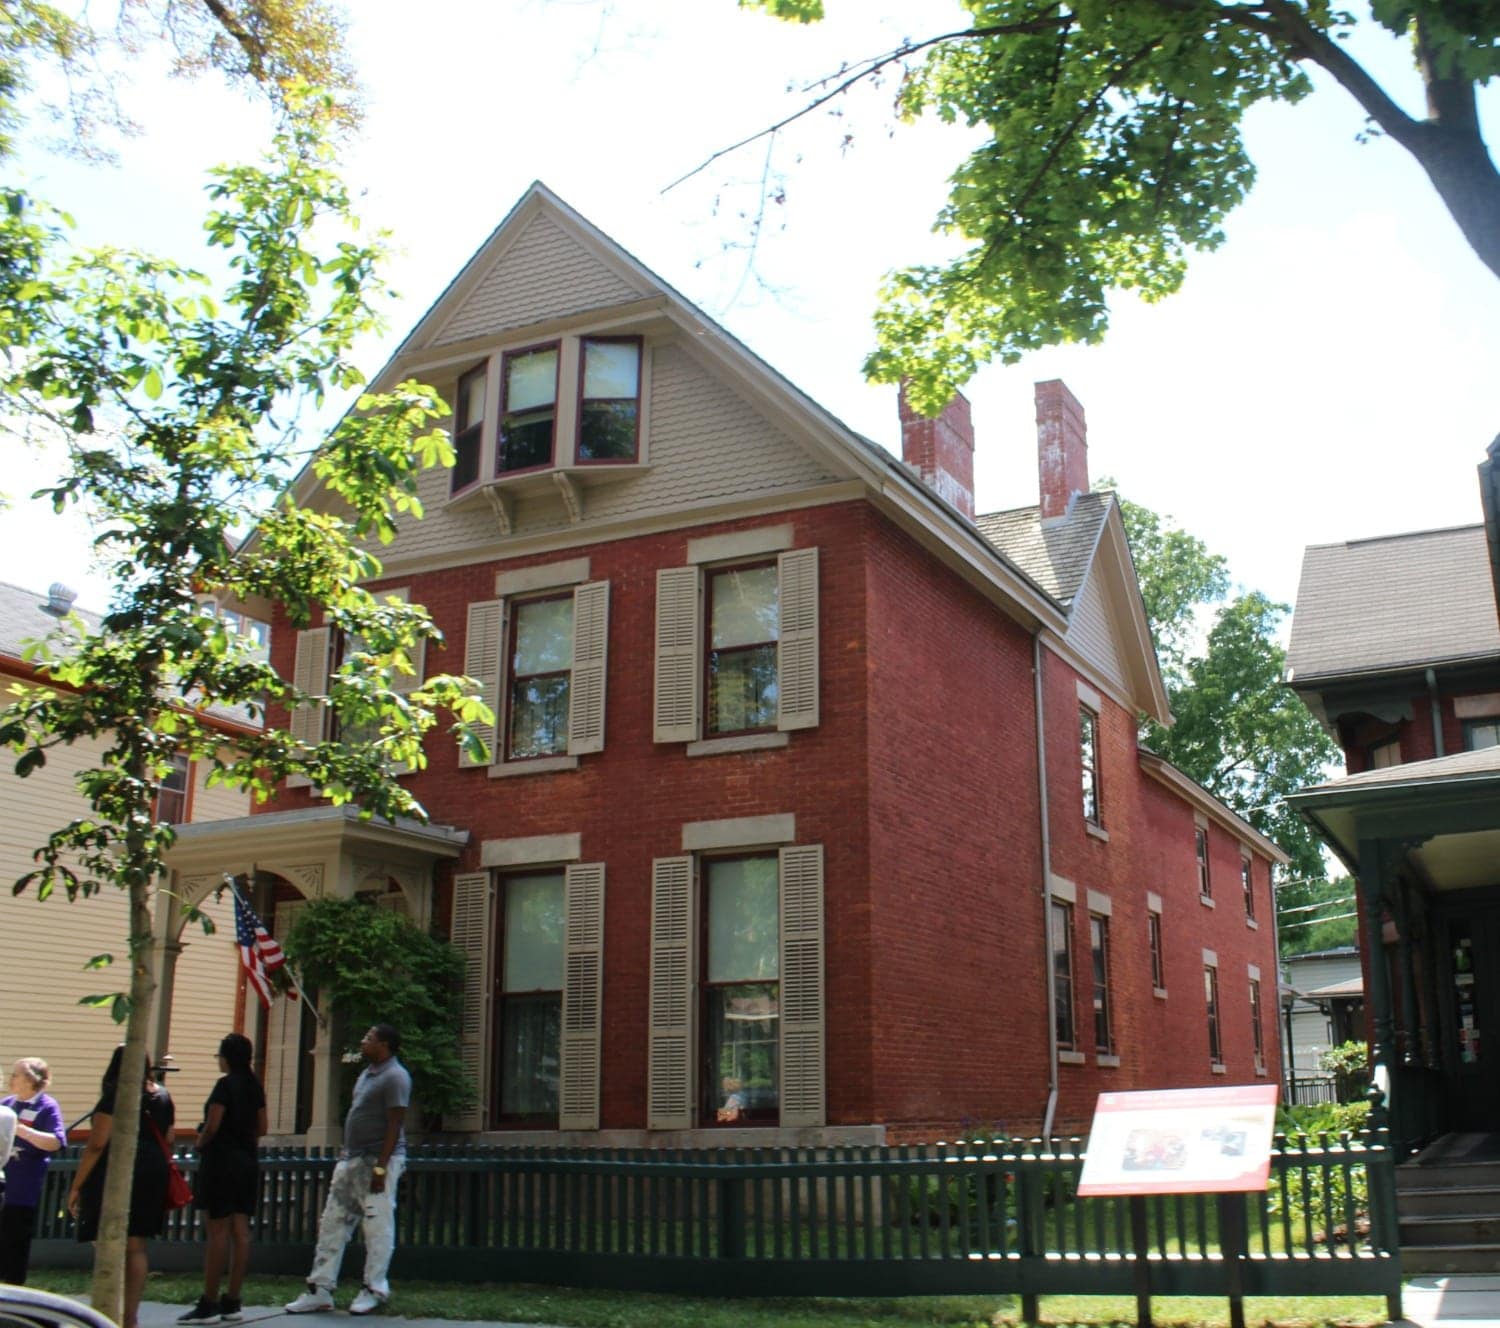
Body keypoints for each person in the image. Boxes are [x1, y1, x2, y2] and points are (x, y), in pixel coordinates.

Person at [285, 1025, 410, 1317]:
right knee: (333, 1222)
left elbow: (395, 1124)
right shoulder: (366, 1074)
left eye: (369, 1038)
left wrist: (381, 1166)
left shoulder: (396, 1076)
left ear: (385, 1045)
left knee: (377, 1225)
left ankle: (374, 1289)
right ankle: (320, 1289)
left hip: (378, 1161)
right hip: (352, 1158)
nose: (363, 1041)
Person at [68, 1046, 175, 1328]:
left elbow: (97, 1144)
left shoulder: (115, 1096)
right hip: (153, 1172)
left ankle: (107, 1315)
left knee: (108, 1240)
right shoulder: (162, 1095)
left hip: (118, 1169)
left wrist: (77, 1186)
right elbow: (170, 1137)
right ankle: (130, 1318)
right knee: (137, 1244)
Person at [177, 1035, 267, 1324]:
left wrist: (201, 1141)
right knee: (241, 1231)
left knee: (218, 1231)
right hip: (247, 1162)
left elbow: (213, 1123)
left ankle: (209, 1302)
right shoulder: (255, 1087)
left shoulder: (225, 1085)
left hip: (221, 1162)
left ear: (227, 1057)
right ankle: (233, 1300)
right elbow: (262, 1126)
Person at [1, 1057, 67, 1284]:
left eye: (16, 1075)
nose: (11, 1079)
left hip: (22, 1188)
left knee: (14, 1243)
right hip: (2, 1183)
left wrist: (21, 1131)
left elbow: (56, 1142)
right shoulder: (7, 1104)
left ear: (31, 1080)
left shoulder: (46, 1106)